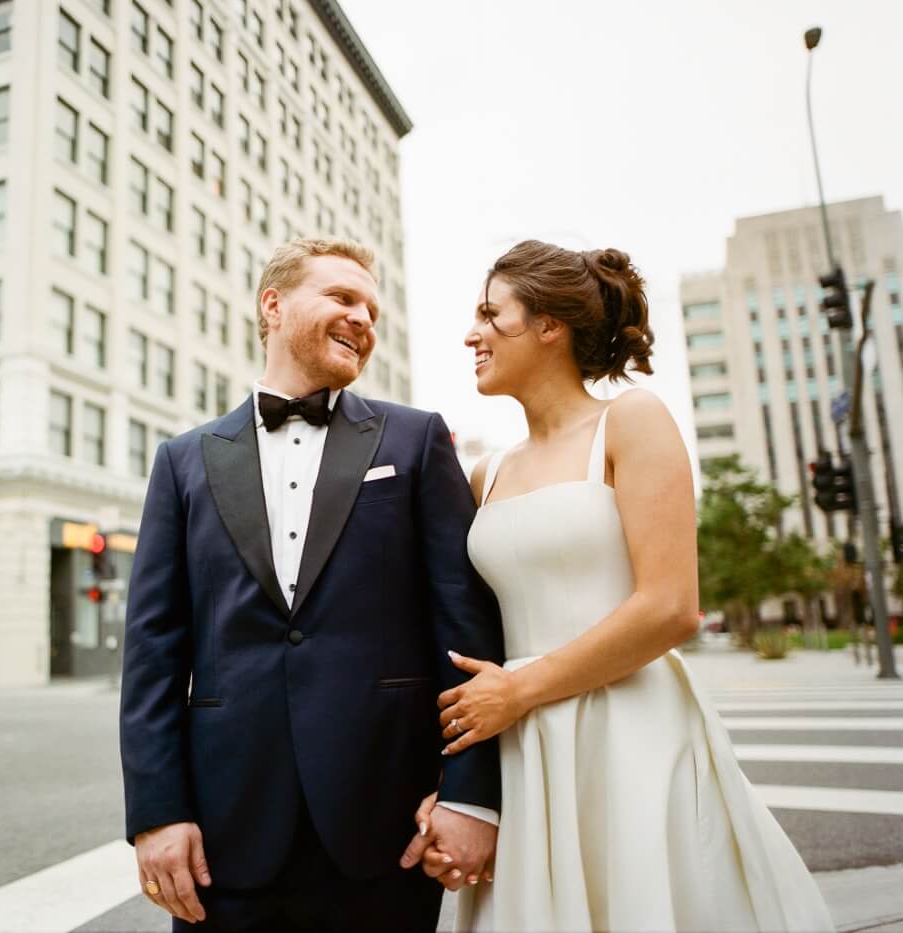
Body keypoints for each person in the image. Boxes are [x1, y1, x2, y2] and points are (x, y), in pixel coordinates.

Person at [421, 240, 833, 931]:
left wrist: (520, 688)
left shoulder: (631, 420)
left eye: (492, 315)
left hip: (629, 736)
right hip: (522, 748)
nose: (473, 333)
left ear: (550, 325)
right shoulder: (485, 472)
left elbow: (671, 607)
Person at [118, 237, 505, 931]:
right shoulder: (181, 461)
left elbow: (467, 633)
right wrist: (156, 812)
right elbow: (152, 651)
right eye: (343, 297)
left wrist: (470, 797)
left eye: (372, 309)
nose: (364, 318)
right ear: (274, 305)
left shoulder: (415, 441)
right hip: (223, 834)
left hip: (389, 827)